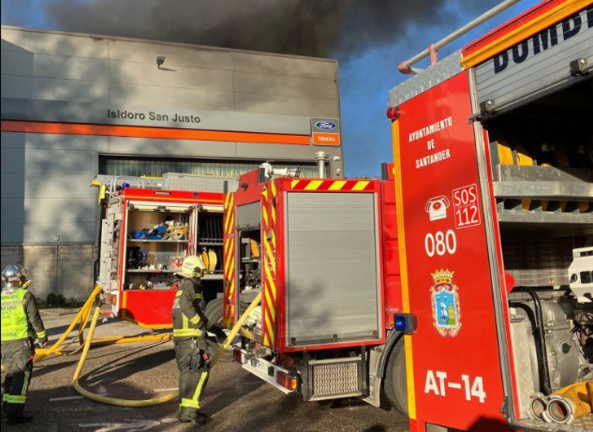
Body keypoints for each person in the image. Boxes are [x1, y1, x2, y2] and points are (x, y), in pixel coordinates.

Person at [172, 256, 226, 425]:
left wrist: (214, 328)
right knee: (200, 372)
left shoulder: (184, 286)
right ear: (194, 271)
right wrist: (198, 325)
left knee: (188, 374)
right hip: (192, 339)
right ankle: (189, 413)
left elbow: (200, 315)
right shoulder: (190, 286)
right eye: (200, 272)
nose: (201, 275)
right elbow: (187, 306)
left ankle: (187, 411)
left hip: (183, 339)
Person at [1, 265, 47, 426]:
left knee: (10, 375)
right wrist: (42, 337)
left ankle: (6, 407)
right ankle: (14, 414)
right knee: (21, 377)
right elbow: (34, 318)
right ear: (19, 279)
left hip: (4, 344)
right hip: (21, 343)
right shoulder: (25, 295)